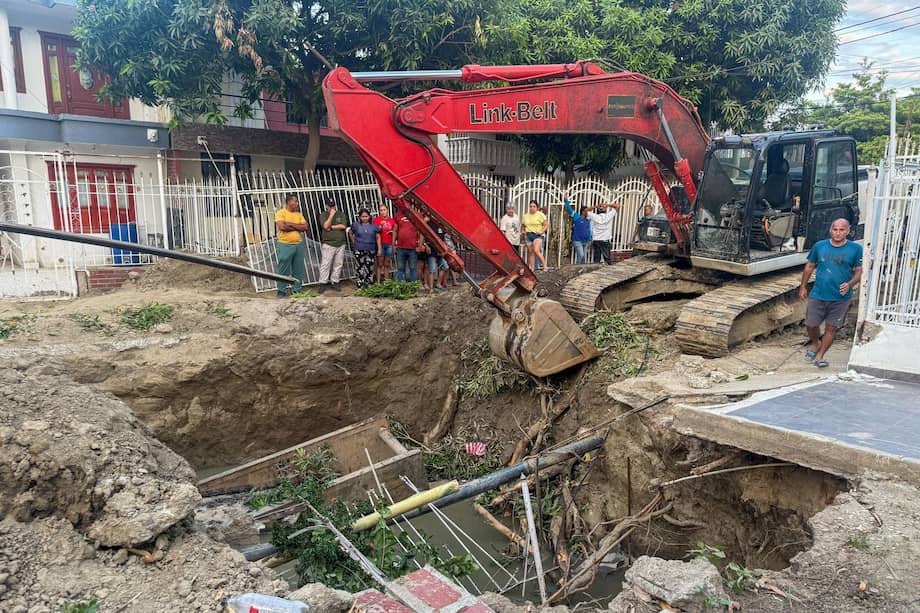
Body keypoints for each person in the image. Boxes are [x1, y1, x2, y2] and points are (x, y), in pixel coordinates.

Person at [798, 218, 862, 368]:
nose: (838, 233)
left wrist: (850, 284)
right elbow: (809, 266)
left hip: (840, 297)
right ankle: (815, 343)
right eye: (835, 229)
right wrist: (803, 286)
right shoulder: (820, 246)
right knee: (811, 324)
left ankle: (820, 356)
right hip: (818, 293)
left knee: (831, 328)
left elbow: (859, 271)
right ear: (830, 230)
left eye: (842, 230)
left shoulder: (855, 249)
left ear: (848, 231)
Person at [274, 194, 308, 298]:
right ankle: (281, 290)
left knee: (298, 269)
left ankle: (296, 290)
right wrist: (298, 227)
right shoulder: (281, 213)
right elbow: (282, 227)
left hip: (298, 244)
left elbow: (305, 227)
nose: (297, 203)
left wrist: (291, 224)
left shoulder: (299, 214)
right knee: (283, 268)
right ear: (288, 202)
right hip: (285, 244)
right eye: (295, 201)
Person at [317, 200, 348, 292]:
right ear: (326, 206)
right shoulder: (323, 215)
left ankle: (335, 281)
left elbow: (343, 226)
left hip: (340, 243)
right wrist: (331, 215)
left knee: (338, 264)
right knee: (325, 264)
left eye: (333, 205)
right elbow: (325, 226)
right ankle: (323, 283)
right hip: (328, 243)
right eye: (330, 206)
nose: (332, 208)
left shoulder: (341, 214)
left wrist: (332, 227)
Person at [347, 208, 381, 289]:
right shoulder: (355, 225)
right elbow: (350, 232)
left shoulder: (374, 226)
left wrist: (379, 249)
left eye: (366, 216)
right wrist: (354, 241)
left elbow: (378, 237)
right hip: (359, 249)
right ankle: (360, 284)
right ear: (360, 217)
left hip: (371, 249)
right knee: (359, 267)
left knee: (370, 267)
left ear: (369, 216)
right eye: (363, 216)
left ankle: (369, 284)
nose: (365, 218)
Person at [562, 195, 592, 264]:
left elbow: (589, 230)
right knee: (581, 255)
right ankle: (577, 268)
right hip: (577, 240)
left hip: (586, 241)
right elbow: (569, 209)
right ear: (583, 212)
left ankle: (581, 270)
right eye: (587, 211)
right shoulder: (576, 217)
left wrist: (590, 239)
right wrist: (566, 200)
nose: (588, 213)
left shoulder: (588, 220)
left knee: (583, 257)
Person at [393, 209, 419, 282]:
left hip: (413, 247)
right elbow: (395, 230)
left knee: (413, 268)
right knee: (400, 268)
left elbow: (420, 230)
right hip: (400, 247)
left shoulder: (416, 214)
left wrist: (420, 245)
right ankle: (401, 287)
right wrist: (393, 245)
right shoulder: (398, 215)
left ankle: (413, 288)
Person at [523, 199, 548, 271]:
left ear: (537, 207)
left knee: (536, 250)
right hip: (528, 235)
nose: (532, 208)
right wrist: (523, 232)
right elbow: (523, 226)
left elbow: (546, 225)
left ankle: (545, 266)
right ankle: (532, 268)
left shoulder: (541, 215)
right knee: (531, 252)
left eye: (534, 206)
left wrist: (541, 231)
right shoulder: (525, 216)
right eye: (530, 206)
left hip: (538, 235)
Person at [374, 204, 396, 284]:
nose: (383, 212)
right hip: (380, 244)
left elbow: (395, 232)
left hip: (389, 244)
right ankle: (378, 282)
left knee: (386, 264)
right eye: (381, 210)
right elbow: (375, 232)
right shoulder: (376, 220)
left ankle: (387, 282)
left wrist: (392, 233)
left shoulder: (392, 220)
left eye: (384, 210)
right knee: (379, 264)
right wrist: (380, 227)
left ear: (387, 210)